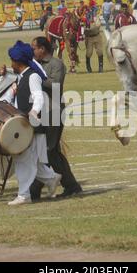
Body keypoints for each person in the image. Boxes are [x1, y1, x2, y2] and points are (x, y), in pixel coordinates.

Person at [0, 41, 62, 205]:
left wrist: (34, 111)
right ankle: (52, 178)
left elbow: (39, 96)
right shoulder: (20, 78)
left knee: (24, 160)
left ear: (18, 62)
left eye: (12, 60)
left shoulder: (32, 76)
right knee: (31, 160)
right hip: (23, 125)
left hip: (31, 125)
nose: (11, 63)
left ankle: (24, 195)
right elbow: (10, 99)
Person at [29, 37, 83, 199]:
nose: (33, 51)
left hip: (53, 111)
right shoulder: (34, 64)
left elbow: (56, 84)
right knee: (49, 151)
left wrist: (38, 77)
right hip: (39, 112)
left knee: (48, 150)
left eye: (34, 47)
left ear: (43, 49)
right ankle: (71, 185)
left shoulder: (56, 64)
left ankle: (36, 188)